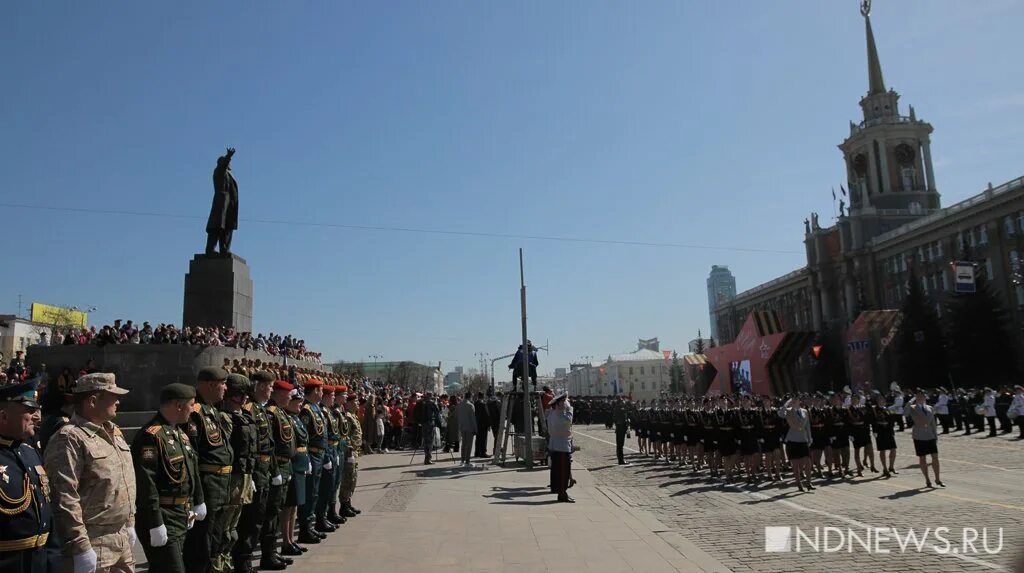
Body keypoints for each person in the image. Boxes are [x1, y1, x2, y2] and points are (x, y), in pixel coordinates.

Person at [45, 373, 135, 573]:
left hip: (120, 539)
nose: (118, 401)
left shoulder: (114, 432)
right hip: (93, 542)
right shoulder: (69, 438)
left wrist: (130, 523)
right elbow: (64, 496)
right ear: (93, 401)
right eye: (113, 396)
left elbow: (123, 481)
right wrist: (81, 546)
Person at [132, 383, 204, 573]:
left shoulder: (179, 433)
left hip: (180, 515)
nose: (193, 409)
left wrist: (198, 501)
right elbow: (147, 482)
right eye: (191, 404)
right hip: (163, 516)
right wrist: (155, 522)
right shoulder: (151, 437)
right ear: (178, 406)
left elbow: (192, 471)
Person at [0, 378, 60, 573]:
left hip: (40, 562)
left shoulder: (30, 451)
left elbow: (46, 512)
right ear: (4, 416)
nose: (38, 417)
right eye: (30, 410)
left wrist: (53, 561)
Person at [234, 371, 287, 573]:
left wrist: (274, 471)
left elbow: (269, 445)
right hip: (255, 471)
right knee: (250, 521)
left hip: (265, 470)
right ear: (260, 386)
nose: (271, 390)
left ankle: (268, 554)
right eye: (270, 386)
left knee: (264, 516)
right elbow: (249, 447)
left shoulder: (260, 410)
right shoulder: (248, 409)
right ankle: (243, 561)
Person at [184, 367, 234, 573]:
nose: (226, 388)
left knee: (216, 536)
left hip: (221, 483)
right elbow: (193, 456)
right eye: (223, 384)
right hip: (208, 484)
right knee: (201, 541)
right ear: (211, 385)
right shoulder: (195, 412)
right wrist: (197, 497)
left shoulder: (212, 411)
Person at [218, 374, 257, 573]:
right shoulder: (224, 417)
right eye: (241, 395)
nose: (244, 399)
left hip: (243, 476)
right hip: (231, 478)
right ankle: (222, 565)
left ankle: (231, 563)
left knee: (236, 525)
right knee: (225, 528)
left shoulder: (244, 415)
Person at [265, 380, 297, 563]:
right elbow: (270, 445)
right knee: (273, 514)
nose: (290, 398)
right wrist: (276, 469)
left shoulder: (281, 413)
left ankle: (274, 551)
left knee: (279, 511)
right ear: (279, 394)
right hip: (277, 467)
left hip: (286, 466)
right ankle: (269, 554)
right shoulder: (271, 413)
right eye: (288, 395)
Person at [297, 379, 328, 543]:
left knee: (315, 492)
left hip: (320, 454)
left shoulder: (316, 409)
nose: (322, 393)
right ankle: (305, 529)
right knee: (310, 493)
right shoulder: (306, 410)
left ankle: (311, 525)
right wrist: (307, 458)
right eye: (320, 390)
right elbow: (304, 437)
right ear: (315, 391)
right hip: (312, 455)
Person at [906, 390, 944, 488]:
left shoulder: (930, 408)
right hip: (919, 436)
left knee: (935, 457)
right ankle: (927, 479)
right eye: (918, 397)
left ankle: (938, 479)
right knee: (922, 458)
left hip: (930, 435)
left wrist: (935, 435)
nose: (920, 398)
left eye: (922, 396)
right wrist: (911, 400)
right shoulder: (912, 408)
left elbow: (933, 423)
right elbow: (904, 413)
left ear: (925, 398)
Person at [779, 395, 813, 492]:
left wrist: (810, 438)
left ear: (799, 401)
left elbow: (807, 426)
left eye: (796, 400)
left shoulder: (805, 411)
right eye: (793, 400)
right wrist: (786, 404)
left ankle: (808, 482)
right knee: (795, 464)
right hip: (792, 440)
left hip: (803, 439)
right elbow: (780, 414)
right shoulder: (788, 411)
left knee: (808, 462)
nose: (794, 401)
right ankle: (799, 483)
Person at [338, 394, 363, 517]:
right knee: (347, 479)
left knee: (352, 478)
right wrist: (349, 451)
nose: (357, 404)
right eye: (355, 402)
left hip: (355, 451)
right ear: (348, 404)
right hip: (350, 452)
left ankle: (348, 503)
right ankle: (344, 505)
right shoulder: (347, 417)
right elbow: (345, 436)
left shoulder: (353, 416)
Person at [546, 393, 574, 503]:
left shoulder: (554, 413)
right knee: (563, 472)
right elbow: (568, 423)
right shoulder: (559, 415)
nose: (565, 404)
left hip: (558, 445)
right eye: (563, 402)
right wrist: (570, 409)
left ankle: (561, 492)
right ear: (557, 404)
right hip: (561, 447)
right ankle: (562, 494)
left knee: (560, 471)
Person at [418, 393, 442, 465]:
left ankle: (427, 457)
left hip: (423, 423)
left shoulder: (420, 403)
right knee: (429, 441)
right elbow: (437, 412)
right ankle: (428, 458)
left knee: (425, 440)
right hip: (429, 423)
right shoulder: (431, 403)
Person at [457, 392, 477, 466]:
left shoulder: (459, 405)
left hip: (462, 427)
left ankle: (462, 460)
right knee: (469, 445)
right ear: (470, 397)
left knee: (463, 444)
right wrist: (475, 429)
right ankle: (467, 461)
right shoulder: (471, 405)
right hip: (469, 427)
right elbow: (473, 419)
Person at [612, 396, 630, 465]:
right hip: (621, 428)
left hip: (620, 428)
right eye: (623, 401)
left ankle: (620, 459)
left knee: (619, 445)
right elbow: (622, 418)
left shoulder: (617, 408)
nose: (624, 402)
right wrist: (626, 421)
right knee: (620, 445)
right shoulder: (620, 409)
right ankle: (621, 460)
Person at [473, 392, 489, 458]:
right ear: (483, 396)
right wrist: (489, 424)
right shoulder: (483, 404)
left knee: (478, 439)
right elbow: (487, 415)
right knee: (483, 439)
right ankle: (483, 452)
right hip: (483, 424)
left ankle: (477, 452)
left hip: (477, 424)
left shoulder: (475, 404)